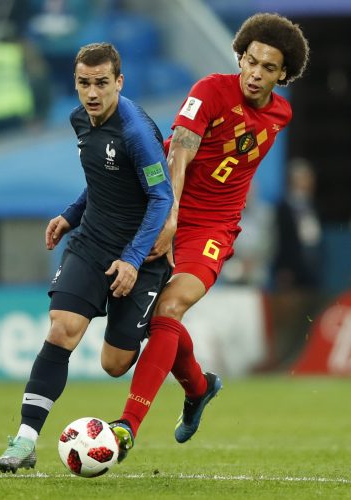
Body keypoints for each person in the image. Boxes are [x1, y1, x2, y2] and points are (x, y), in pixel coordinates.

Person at [108, 13, 310, 454]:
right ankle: (199, 388)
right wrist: (170, 215)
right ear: (240, 56)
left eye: (269, 67)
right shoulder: (210, 91)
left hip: (213, 230)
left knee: (171, 307)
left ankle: (127, 426)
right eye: (251, 61)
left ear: (284, 74)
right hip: (162, 211)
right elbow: (180, 151)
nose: (256, 73)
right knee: (119, 356)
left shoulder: (281, 113)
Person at [0, 42, 173, 473]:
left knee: (114, 364)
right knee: (61, 330)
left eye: (101, 84)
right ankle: (25, 440)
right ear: (75, 83)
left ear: (119, 82)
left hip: (141, 256)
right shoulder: (79, 120)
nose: (92, 93)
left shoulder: (136, 132)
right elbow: (101, 180)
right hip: (91, 243)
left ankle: (186, 364)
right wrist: (71, 216)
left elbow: (160, 196)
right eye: (83, 83)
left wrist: (132, 259)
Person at [272, 157, 323, 291]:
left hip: (312, 269)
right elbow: (280, 241)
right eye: (305, 177)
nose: (310, 181)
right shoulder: (283, 208)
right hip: (291, 272)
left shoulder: (312, 206)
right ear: (294, 180)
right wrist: (284, 268)